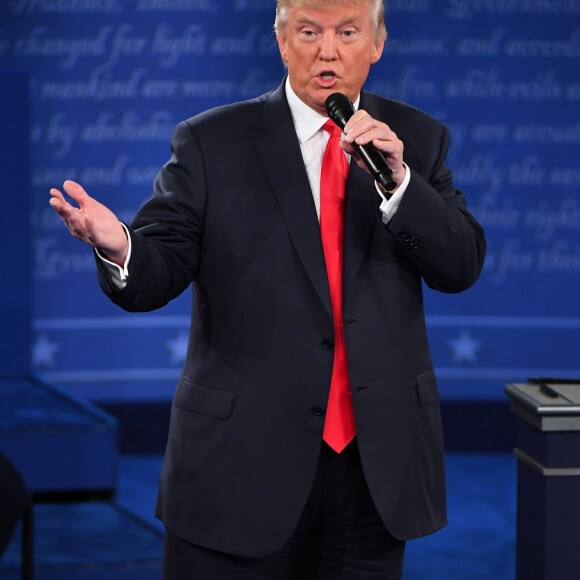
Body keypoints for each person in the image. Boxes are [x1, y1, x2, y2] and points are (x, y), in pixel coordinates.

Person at [49, 0, 486, 578]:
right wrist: (121, 245)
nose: (327, 50)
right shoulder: (211, 143)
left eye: (347, 32)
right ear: (282, 42)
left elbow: (460, 265)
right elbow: (159, 268)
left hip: (372, 474)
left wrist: (401, 186)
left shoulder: (416, 144)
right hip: (239, 468)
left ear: (377, 44)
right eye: (309, 31)